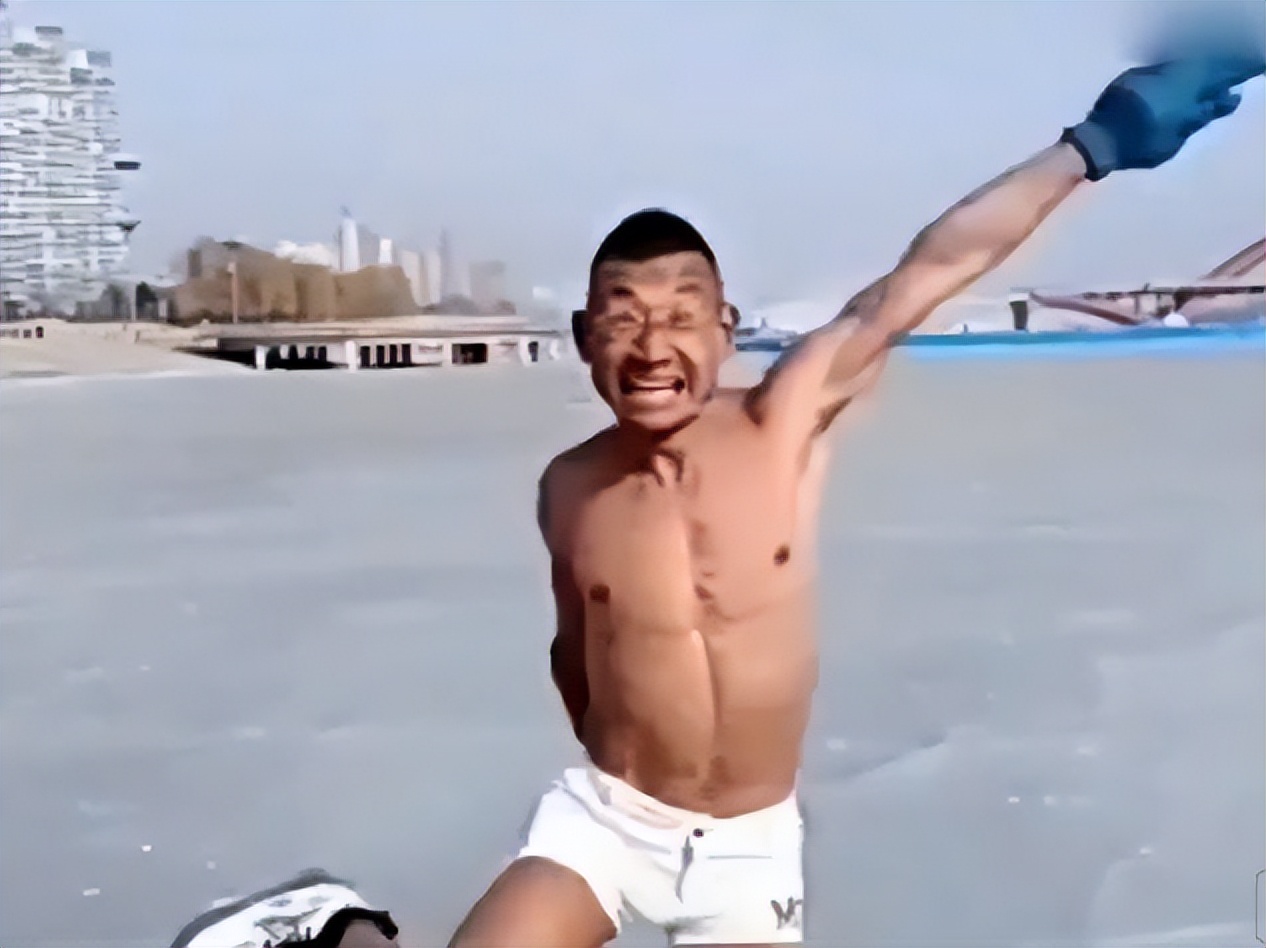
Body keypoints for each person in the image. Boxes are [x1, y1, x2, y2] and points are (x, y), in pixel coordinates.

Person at [445, 54, 1262, 948]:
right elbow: (574, 651)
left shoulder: (781, 423)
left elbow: (927, 272)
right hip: (610, 823)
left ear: (725, 331)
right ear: (583, 338)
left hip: (748, 852)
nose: (650, 345)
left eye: (680, 315)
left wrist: (1092, 147)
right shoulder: (570, 487)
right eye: (623, 318)